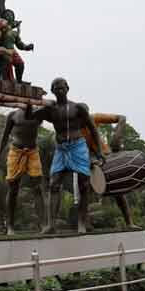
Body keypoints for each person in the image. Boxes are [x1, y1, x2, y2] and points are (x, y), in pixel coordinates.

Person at [30, 78, 104, 234]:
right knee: (54, 184)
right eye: (56, 88)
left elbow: (93, 129)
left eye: (62, 87)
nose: (59, 90)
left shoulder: (78, 108)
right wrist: (31, 101)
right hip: (61, 149)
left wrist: (99, 152)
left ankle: (82, 223)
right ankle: (51, 225)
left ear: (67, 88)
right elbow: (31, 116)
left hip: (78, 147)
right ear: (52, 91)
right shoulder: (50, 110)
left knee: (84, 184)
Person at [0, 105, 47, 235]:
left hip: (33, 152)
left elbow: (47, 109)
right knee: (13, 188)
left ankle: (44, 224)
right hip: (16, 151)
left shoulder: (38, 115)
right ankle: (10, 226)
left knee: (37, 188)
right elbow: (5, 135)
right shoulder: (13, 115)